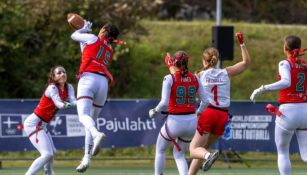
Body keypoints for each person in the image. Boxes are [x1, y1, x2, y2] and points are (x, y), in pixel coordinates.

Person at [187, 32, 251, 175]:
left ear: (205, 61)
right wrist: (241, 43)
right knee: (201, 150)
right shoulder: (226, 72)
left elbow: (185, 87)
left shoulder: (199, 75)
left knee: (193, 150)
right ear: (217, 60)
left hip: (208, 113)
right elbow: (246, 62)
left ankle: (209, 156)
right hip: (223, 115)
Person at [71, 19, 125, 172]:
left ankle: (96, 135)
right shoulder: (109, 48)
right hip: (103, 83)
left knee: (83, 117)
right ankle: (86, 158)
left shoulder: (93, 38)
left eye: (102, 28)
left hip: (88, 78)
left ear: (104, 31)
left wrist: (83, 29)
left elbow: (73, 36)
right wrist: (85, 32)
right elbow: (87, 52)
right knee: (91, 120)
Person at [250, 35, 307, 175]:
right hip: (305, 110)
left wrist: (262, 88)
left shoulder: (285, 63)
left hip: (288, 111)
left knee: (282, 152)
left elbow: (286, 82)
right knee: (306, 154)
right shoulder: (305, 64)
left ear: (285, 48)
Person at [149, 51, 209, 175]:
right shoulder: (195, 78)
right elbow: (206, 101)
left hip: (175, 121)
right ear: (187, 62)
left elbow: (164, 102)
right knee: (179, 154)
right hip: (192, 121)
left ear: (174, 63)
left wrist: (154, 111)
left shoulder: (169, 78)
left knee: (160, 150)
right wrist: (198, 112)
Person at [23, 66, 76, 175]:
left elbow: (73, 100)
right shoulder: (52, 88)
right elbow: (59, 104)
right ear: (53, 77)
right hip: (33, 124)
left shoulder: (69, 87)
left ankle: (49, 173)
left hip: (42, 125)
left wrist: (83, 102)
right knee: (47, 154)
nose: (62, 74)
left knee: (52, 153)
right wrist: (77, 104)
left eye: (64, 72)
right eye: (59, 73)